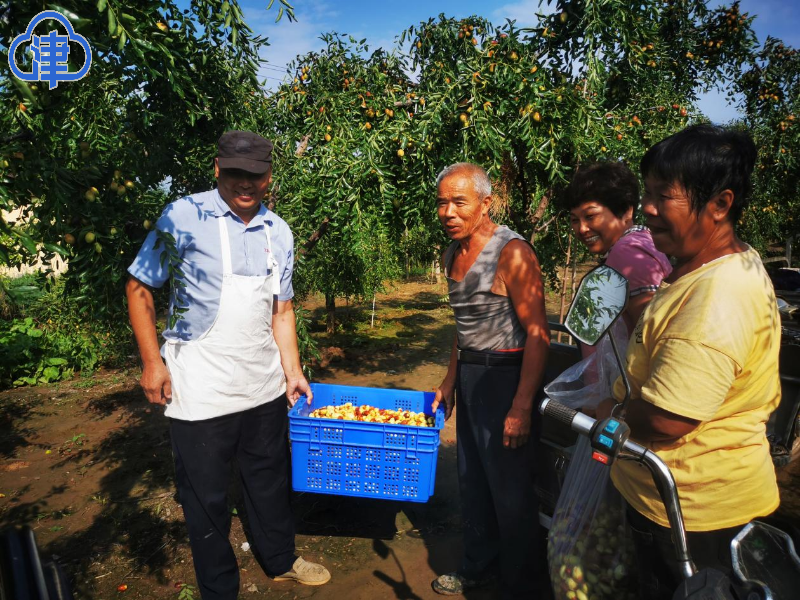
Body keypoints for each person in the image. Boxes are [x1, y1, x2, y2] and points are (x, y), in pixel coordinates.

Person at [126, 131, 331, 600]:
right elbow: (139, 288)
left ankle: (279, 558)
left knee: (268, 478)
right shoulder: (183, 216)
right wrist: (151, 362)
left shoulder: (278, 232)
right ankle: (220, 588)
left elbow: (282, 310)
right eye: (236, 173)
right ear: (218, 169)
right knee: (206, 495)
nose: (245, 184)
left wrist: (293, 369)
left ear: (269, 177)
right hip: (200, 383)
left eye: (255, 176)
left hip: (261, 380)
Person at [605, 124, 781, 600]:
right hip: (679, 499)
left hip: (692, 512)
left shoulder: (718, 296)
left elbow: (668, 416)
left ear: (720, 205)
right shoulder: (712, 267)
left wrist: (611, 412)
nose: (647, 208)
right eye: (647, 194)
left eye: (664, 196)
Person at [430, 163, 550, 598]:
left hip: (507, 378)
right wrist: (449, 384)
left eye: (459, 201)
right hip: (473, 378)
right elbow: (463, 331)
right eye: (442, 201)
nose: (448, 211)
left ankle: (521, 584)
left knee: (511, 490)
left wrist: (520, 406)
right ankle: (478, 565)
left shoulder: (512, 252)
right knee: (473, 479)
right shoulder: (451, 253)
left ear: (486, 203)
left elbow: (538, 336)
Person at [562, 161, 672, 353]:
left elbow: (649, 339)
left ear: (627, 211)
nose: (582, 229)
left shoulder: (628, 254)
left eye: (590, 216)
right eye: (574, 220)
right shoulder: (640, 244)